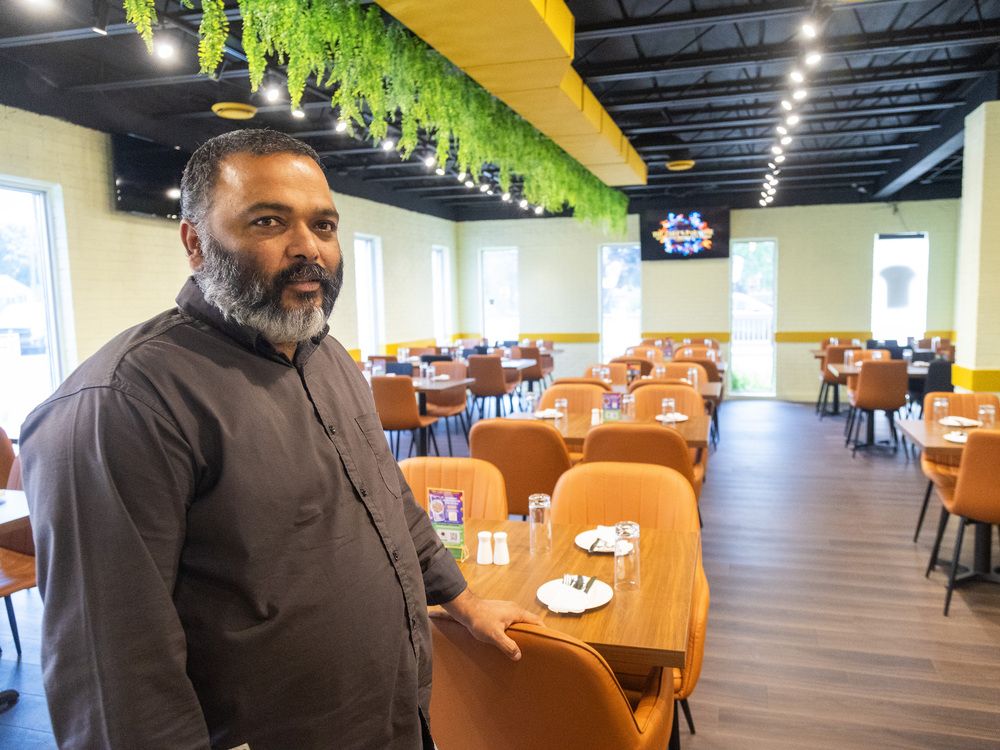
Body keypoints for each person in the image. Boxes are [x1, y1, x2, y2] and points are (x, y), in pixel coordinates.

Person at [20, 129, 541, 749]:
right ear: (195, 242)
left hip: (395, 716)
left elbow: (390, 501)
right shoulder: (123, 404)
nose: (308, 248)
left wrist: (463, 600)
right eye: (268, 222)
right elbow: (113, 678)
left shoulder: (329, 358)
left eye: (323, 225)